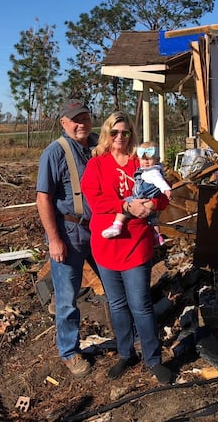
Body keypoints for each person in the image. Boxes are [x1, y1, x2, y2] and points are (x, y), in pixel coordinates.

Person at [80, 111, 172, 384]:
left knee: (141, 304)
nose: (120, 137)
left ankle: (153, 359)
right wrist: (124, 205)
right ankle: (125, 352)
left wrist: (150, 206)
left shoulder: (142, 161)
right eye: (114, 132)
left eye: (126, 132)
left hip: (136, 244)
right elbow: (95, 202)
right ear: (107, 134)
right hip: (106, 244)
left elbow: (164, 196)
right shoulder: (96, 165)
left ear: (132, 134)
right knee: (117, 304)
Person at [36, 99, 99, 378]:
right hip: (70, 232)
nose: (80, 123)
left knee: (116, 285)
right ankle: (69, 352)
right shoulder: (54, 152)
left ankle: (127, 338)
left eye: (84, 118)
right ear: (64, 123)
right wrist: (54, 240)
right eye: (75, 119)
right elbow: (43, 199)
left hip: (101, 230)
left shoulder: (99, 146)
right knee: (66, 298)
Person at [101, 140, 172, 245]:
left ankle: (117, 225)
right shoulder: (151, 170)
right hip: (149, 198)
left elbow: (160, 182)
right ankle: (158, 236)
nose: (146, 162)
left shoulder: (152, 172)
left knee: (125, 203)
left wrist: (166, 190)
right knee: (152, 218)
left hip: (141, 196)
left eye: (150, 159)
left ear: (157, 160)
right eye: (143, 159)